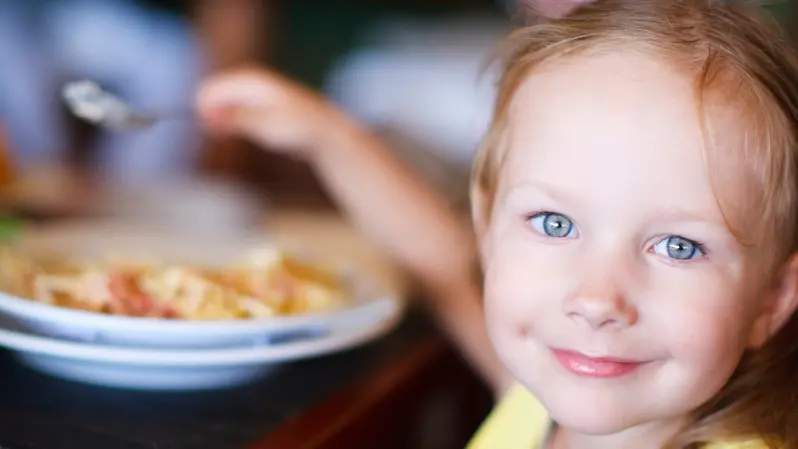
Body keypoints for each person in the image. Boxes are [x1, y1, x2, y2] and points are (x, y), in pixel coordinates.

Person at [200, 0, 798, 445]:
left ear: (772, 297)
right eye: (555, 224)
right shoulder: (535, 403)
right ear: (489, 227)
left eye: (678, 246)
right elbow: (438, 258)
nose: (597, 300)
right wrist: (326, 137)